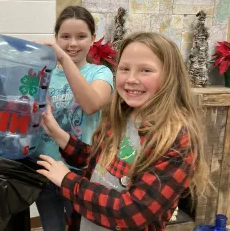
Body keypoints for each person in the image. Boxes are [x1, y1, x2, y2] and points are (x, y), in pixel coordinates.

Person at [37, 32, 209, 230]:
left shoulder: (176, 139)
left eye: (145, 70)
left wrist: (68, 181)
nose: (131, 79)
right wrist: (56, 131)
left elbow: (132, 211)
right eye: (125, 69)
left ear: (170, 76)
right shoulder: (121, 116)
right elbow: (99, 163)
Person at [33, 6, 113, 231]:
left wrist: (64, 59)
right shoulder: (44, 73)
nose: (73, 44)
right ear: (56, 37)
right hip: (45, 169)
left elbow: (91, 105)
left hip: (81, 174)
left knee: (82, 227)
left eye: (81, 36)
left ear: (93, 39)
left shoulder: (100, 73)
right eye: (65, 37)